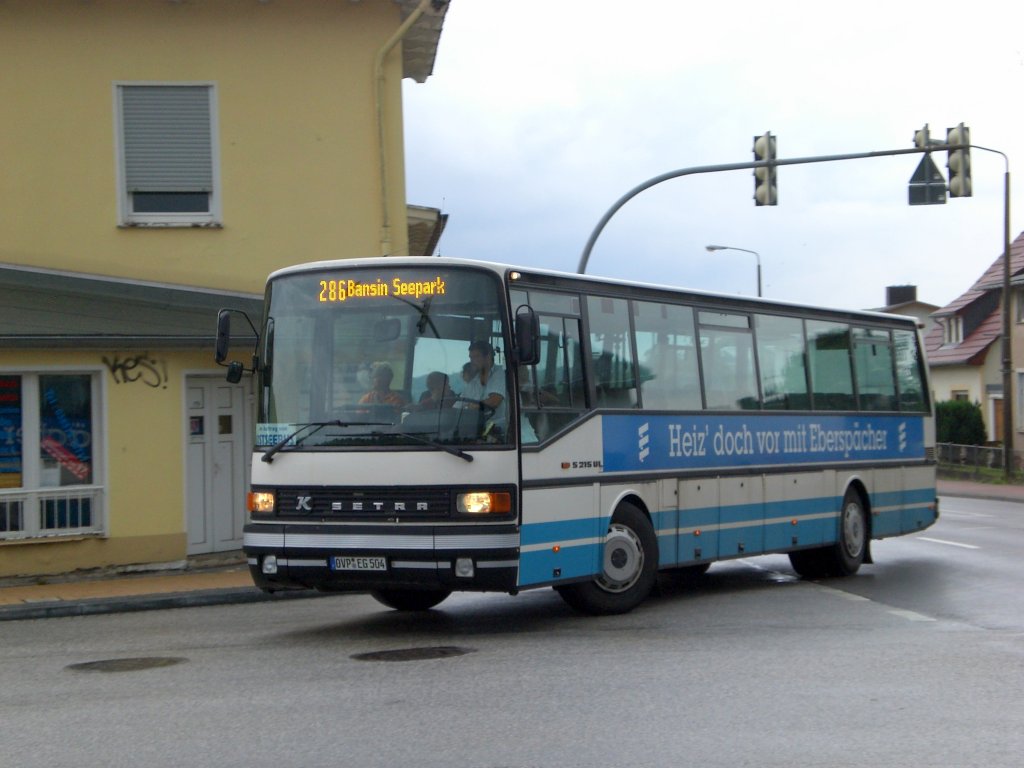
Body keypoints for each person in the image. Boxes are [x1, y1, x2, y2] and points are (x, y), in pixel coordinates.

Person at [457, 340, 507, 434]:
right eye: (471, 358)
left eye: (476, 357)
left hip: (503, 431)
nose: (472, 361)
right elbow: (460, 404)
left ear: (488, 356)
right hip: (480, 430)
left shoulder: (500, 373)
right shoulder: (474, 380)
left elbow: (494, 401)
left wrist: (472, 407)